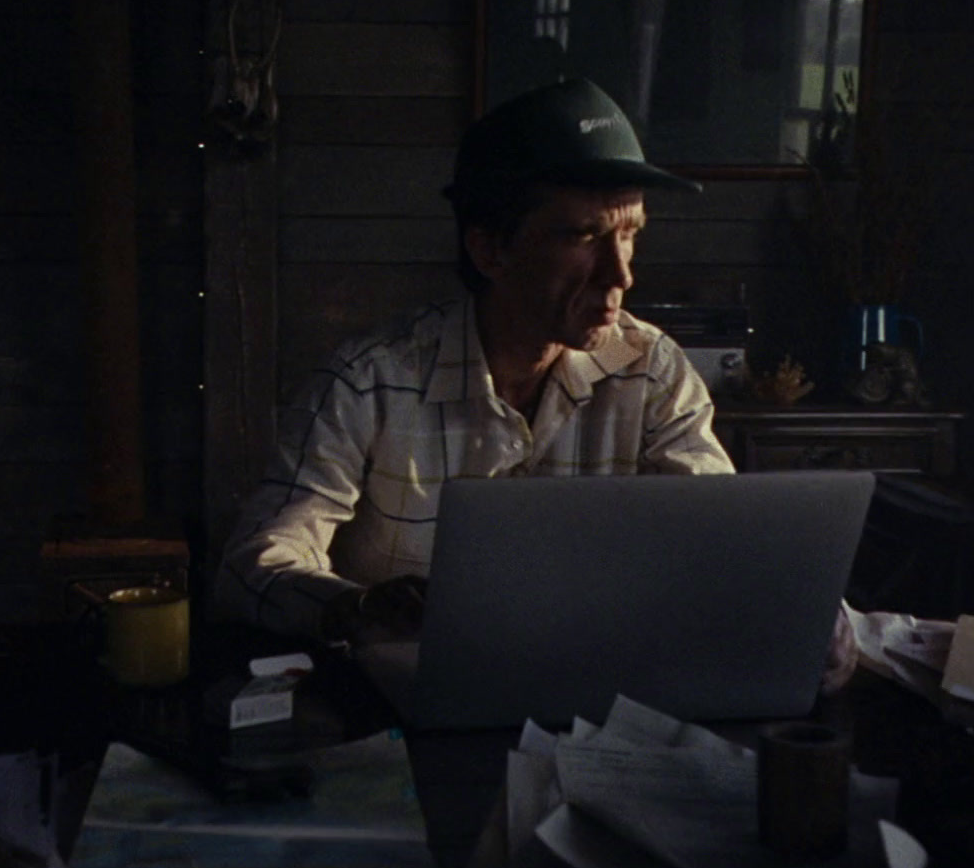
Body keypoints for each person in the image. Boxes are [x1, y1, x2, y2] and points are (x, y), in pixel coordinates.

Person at [212, 78, 858, 690]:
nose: (620, 274)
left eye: (630, 234)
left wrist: (805, 608)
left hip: (600, 702)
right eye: (584, 236)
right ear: (491, 251)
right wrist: (354, 608)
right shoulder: (370, 384)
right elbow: (252, 567)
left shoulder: (652, 370)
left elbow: (724, 536)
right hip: (407, 713)